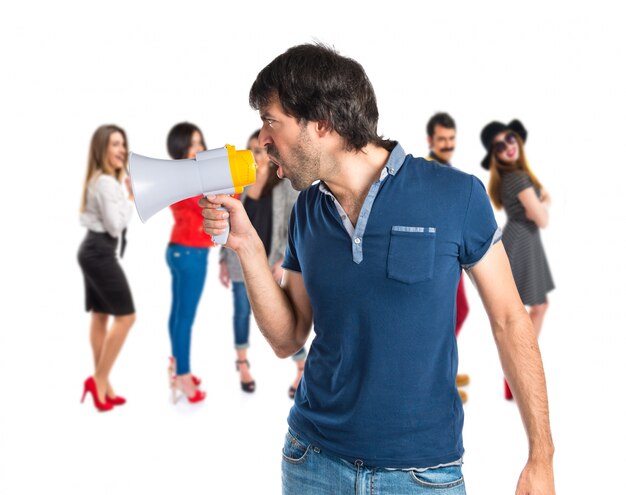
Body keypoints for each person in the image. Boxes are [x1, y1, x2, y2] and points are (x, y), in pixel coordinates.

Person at [201, 44, 554, 494]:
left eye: (271, 121)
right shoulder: (307, 209)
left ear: (322, 122)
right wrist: (247, 245)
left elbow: (509, 320)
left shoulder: (456, 195)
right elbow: (288, 337)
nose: (263, 139)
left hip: (423, 475)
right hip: (311, 462)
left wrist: (541, 456)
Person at [219, 129, 306, 396]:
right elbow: (224, 223)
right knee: (240, 313)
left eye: (258, 150)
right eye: (249, 150)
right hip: (237, 263)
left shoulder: (285, 187)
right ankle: (242, 363)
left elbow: (296, 226)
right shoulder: (237, 186)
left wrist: (284, 259)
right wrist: (223, 260)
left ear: (269, 155)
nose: (253, 156)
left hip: (271, 264)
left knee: (283, 316)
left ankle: (302, 367)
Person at [480, 119, 555, 400]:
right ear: (495, 154)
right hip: (523, 241)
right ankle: (518, 370)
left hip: (522, 239)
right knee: (525, 311)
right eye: (499, 145)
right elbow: (543, 219)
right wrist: (544, 201)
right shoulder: (519, 178)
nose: (507, 146)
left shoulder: (514, 177)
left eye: (509, 139)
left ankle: (516, 372)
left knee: (526, 309)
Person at [78, 124, 136, 412]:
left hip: (93, 249)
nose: (121, 150)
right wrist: (130, 197)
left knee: (101, 315)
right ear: (102, 148)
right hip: (99, 251)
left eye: (122, 144)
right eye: (115, 144)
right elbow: (115, 226)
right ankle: (98, 379)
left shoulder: (102, 180)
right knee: (126, 317)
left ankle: (104, 383)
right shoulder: (106, 183)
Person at [425, 112, 470, 402]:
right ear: (430, 140)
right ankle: (437, 381)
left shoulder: (446, 167)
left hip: (451, 255)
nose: (447, 143)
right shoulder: (429, 168)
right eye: (442, 138)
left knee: (459, 310)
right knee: (441, 317)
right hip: (437, 256)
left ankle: (445, 371)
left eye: (451, 138)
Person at [165, 122, 210, 404]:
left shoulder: (177, 176)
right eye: (193, 143)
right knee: (185, 317)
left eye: (200, 141)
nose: (200, 148)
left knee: (178, 313)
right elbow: (211, 202)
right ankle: (182, 375)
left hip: (179, 250)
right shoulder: (189, 178)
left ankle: (176, 363)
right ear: (181, 148)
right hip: (192, 253)